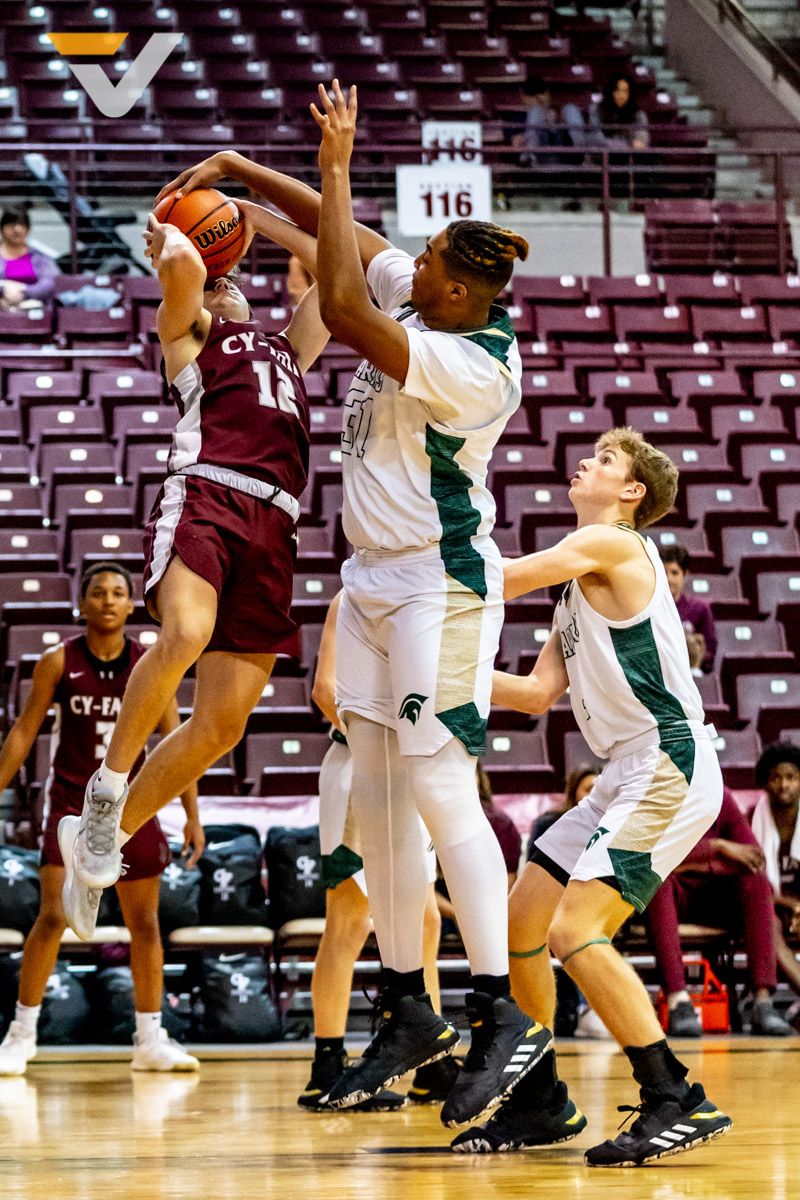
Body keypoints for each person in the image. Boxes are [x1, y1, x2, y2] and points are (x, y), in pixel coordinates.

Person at [143, 84, 545, 1132]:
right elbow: (348, 239)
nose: (417, 280)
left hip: (436, 578)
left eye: (435, 280)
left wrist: (331, 163)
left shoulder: (471, 360)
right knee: (371, 790)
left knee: (433, 775)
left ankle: (497, 1008)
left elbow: (347, 299)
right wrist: (238, 174)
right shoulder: (431, 290)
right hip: (368, 576)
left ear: (469, 299)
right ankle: (408, 1004)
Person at [453, 427, 732, 1165]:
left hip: (668, 760)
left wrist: (423, 556)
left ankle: (675, 1097)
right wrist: (436, 683)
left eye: (608, 460)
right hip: (622, 771)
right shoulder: (580, 582)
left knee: (575, 931)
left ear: (632, 493)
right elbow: (538, 695)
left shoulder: (613, 544)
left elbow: (503, 577)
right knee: (524, 921)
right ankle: (542, 1099)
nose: (588, 461)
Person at [58, 201, 329, 942]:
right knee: (183, 633)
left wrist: (249, 206)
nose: (229, 282)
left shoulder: (283, 349)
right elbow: (180, 262)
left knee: (220, 726)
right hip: (209, 492)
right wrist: (185, 221)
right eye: (218, 279)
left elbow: (338, 276)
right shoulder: (191, 339)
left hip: (275, 525)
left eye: (234, 274)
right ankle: (108, 791)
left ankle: (100, 837)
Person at [0, 563, 202, 1074]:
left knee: (145, 925)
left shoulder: (151, 661)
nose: (108, 600)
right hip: (71, 801)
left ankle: (150, 1038)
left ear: (133, 604)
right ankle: (21, 1034)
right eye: (98, 592)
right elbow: (24, 733)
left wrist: (191, 816)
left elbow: (177, 746)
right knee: (51, 917)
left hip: (135, 805)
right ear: (82, 604)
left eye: (118, 592)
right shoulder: (56, 661)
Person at [300, 591, 457, 1110]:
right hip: (361, 767)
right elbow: (325, 690)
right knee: (349, 919)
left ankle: (432, 1064)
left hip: (414, 772)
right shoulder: (352, 598)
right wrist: (382, 739)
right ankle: (327, 1066)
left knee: (427, 920)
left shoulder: (436, 596)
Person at [646, 787, 792, 1037]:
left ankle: (762, 1002)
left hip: (715, 897)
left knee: (756, 882)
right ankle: (678, 1001)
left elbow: (753, 857)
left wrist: (692, 860)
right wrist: (718, 847)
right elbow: (654, 857)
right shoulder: (655, 795)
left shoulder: (719, 795)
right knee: (656, 880)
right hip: (670, 896)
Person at [751, 742, 800, 1011]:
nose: (784, 785)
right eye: (776, 777)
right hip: (771, 905)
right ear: (766, 782)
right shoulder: (753, 817)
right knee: (767, 922)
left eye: (791, 777)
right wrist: (790, 905)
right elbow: (755, 882)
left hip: (795, 906)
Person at [660, 544, 717, 674]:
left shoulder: (700, 608)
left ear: (685, 574)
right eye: (663, 573)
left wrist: (695, 653)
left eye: (674, 573)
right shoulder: (649, 609)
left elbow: (710, 653)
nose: (668, 579)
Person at [511, 76, 586, 167]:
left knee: (571, 110)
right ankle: (527, 158)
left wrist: (558, 121)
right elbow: (528, 136)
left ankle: (583, 155)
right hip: (543, 156)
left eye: (545, 94)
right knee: (536, 112)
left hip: (570, 153)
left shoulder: (568, 109)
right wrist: (523, 138)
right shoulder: (534, 113)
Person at [526, 765, 598, 854]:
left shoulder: (612, 825)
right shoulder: (548, 825)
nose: (596, 796)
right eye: (588, 790)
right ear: (573, 793)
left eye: (600, 791)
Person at [0, 204, 58, 310]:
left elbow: (49, 285)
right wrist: (4, 288)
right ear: (2, 228)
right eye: (11, 224)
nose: (16, 229)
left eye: (21, 224)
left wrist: (23, 290)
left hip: (35, 313)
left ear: (29, 229)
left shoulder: (40, 257)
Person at [587, 73, 649, 151]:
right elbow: (596, 139)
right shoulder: (596, 109)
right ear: (610, 91)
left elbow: (640, 142)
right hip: (598, 157)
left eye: (625, 91)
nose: (621, 95)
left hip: (626, 158)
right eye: (617, 91)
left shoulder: (638, 115)